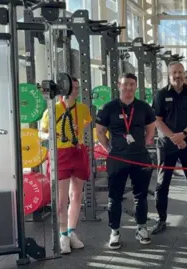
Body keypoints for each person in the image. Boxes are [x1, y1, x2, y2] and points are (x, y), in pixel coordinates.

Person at [95, 73, 156, 249]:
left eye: (132, 84)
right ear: (119, 85)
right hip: (117, 158)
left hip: (140, 157)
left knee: (141, 196)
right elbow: (100, 131)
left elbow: (150, 130)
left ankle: (141, 228)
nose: (128, 88)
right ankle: (114, 231)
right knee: (114, 197)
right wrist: (110, 149)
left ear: (135, 86)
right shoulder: (109, 108)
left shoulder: (144, 107)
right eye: (125, 84)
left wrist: (141, 145)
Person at [40, 77, 92, 254]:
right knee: (61, 201)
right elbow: (42, 132)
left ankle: (71, 232)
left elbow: (86, 123)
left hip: (77, 152)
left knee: (76, 195)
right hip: (60, 155)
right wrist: (52, 137)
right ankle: (63, 235)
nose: (76, 91)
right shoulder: (52, 109)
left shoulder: (83, 109)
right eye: (73, 88)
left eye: (78, 87)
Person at [152, 62, 187, 234]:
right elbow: (157, 120)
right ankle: (161, 219)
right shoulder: (161, 94)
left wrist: (183, 135)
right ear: (169, 74)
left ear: (184, 74)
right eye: (174, 73)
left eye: (180, 72)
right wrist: (174, 138)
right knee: (162, 183)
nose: (177, 76)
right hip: (167, 145)